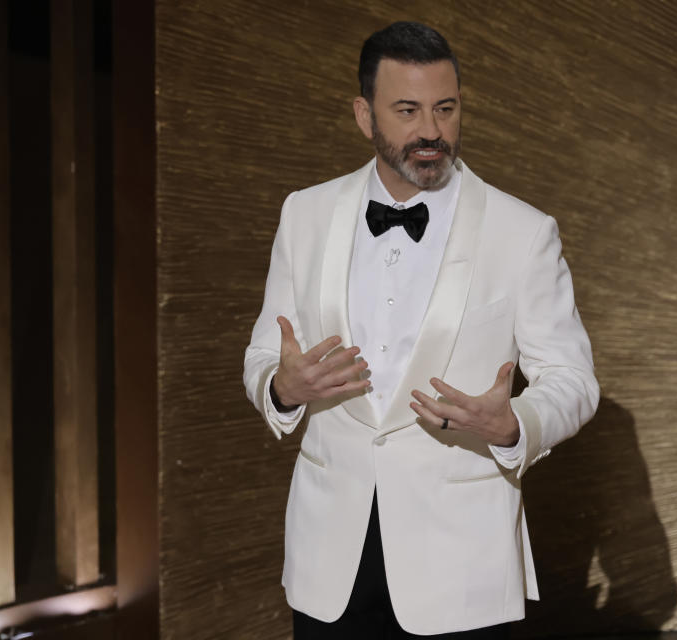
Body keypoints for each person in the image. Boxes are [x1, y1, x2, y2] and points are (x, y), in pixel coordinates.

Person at [243, 21, 598, 639]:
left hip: (461, 568)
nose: (431, 130)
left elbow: (573, 380)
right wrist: (282, 387)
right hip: (330, 566)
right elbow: (262, 358)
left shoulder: (523, 232)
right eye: (406, 110)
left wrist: (514, 423)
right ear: (364, 115)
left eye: (445, 108)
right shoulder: (304, 213)